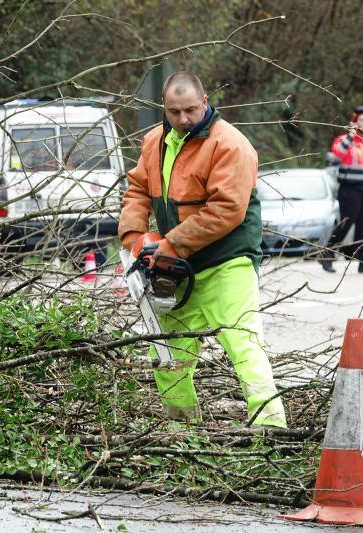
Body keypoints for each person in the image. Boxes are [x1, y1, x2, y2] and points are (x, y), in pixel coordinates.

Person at [119, 71, 286, 428]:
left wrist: (170, 244)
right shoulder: (155, 141)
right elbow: (137, 188)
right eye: (174, 112)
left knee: (242, 344)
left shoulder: (230, 145)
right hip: (177, 266)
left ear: (205, 102)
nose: (183, 119)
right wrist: (135, 235)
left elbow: (226, 209)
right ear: (164, 108)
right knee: (167, 352)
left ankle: (271, 429)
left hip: (227, 262)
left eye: (190, 110)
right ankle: (183, 431)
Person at [319, 106, 363, 273]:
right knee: (345, 223)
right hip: (349, 189)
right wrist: (351, 135)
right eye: (361, 120)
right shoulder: (344, 139)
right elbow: (338, 154)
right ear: (354, 122)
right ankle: (326, 256)